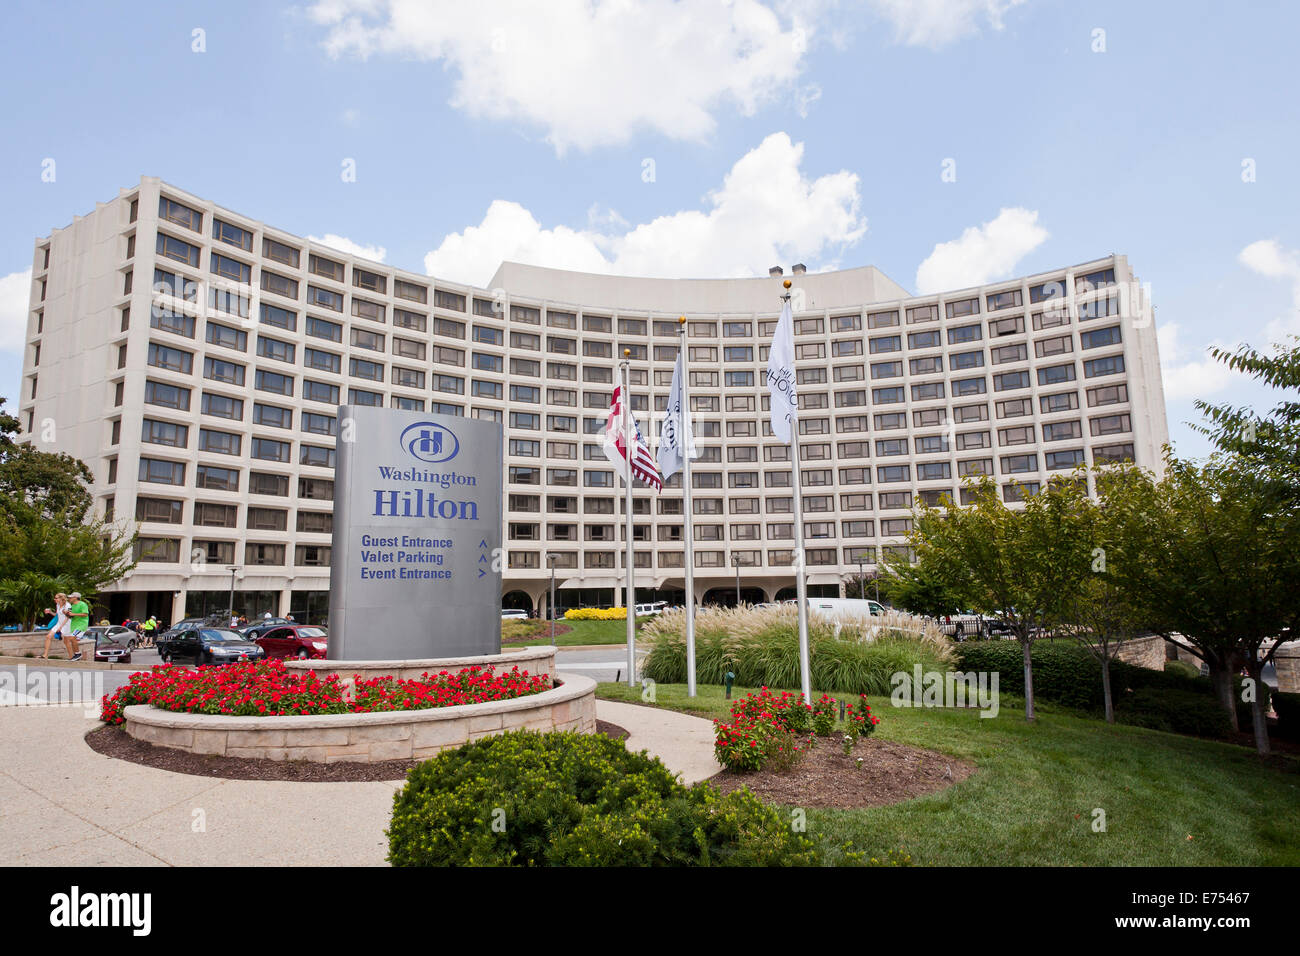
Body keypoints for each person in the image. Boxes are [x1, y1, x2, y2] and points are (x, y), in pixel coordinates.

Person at [40, 594, 80, 661]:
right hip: (59, 623)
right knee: (48, 636)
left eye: (56, 598)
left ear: (61, 598)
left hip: (67, 624)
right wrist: (50, 612)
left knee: (66, 641)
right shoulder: (58, 605)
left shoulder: (68, 605)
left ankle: (71, 657)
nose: (54, 599)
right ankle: (45, 655)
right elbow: (57, 615)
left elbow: (68, 617)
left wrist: (61, 627)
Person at [66, 592, 91, 659]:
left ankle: (78, 654)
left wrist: (73, 614)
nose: (69, 599)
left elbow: (85, 614)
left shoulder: (82, 604)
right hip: (74, 626)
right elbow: (70, 616)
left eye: (71, 597)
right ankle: (76, 655)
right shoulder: (71, 606)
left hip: (81, 625)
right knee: (71, 639)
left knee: (72, 638)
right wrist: (66, 613)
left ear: (75, 598)